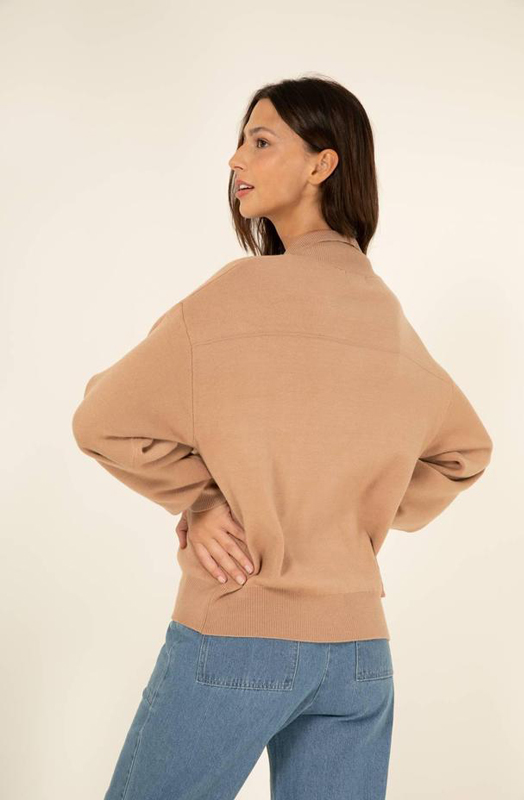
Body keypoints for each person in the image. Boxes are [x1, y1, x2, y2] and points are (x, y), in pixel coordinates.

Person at [71, 75, 493, 799]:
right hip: (359, 656)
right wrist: (350, 508)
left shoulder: (237, 295)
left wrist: (201, 499)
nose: (236, 159)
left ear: (322, 164)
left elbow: (100, 420)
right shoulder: (387, 317)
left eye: (261, 142)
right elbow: (465, 453)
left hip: (239, 632)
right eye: (241, 142)